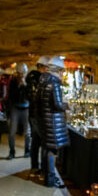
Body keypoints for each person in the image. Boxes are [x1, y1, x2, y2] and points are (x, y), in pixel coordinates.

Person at [37, 56, 69, 188]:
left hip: (45, 119)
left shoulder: (43, 81)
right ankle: (50, 179)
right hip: (53, 121)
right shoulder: (54, 82)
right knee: (52, 150)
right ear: (58, 70)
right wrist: (67, 105)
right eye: (62, 71)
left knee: (46, 148)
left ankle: (47, 175)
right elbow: (57, 104)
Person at [26, 55, 50, 175]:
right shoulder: (40, 79)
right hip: (38, 114)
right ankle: (42, 168)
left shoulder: (30, 78)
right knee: (42, 141)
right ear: (44, 67)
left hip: (32, 113)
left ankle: (34, 166)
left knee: (35, 140)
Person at [7, 62, 30, 160]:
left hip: (26, 108)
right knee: (12, 131)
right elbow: (11, 96)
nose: (21, 75)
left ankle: (27, 150)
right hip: (15, 108)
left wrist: (25, 86)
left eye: (23, 73)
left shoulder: (28, 82)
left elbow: (29, 95)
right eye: (19, 73)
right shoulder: (13, 82)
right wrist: (18, 87)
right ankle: (12, 152)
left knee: (28, 132)